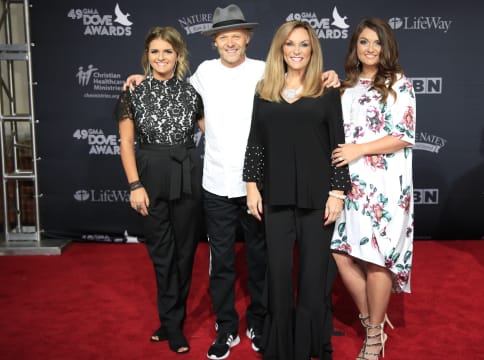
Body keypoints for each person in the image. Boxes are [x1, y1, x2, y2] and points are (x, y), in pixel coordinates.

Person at [123, 4, 341, 359]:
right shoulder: (204, 74)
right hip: (215, 184)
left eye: (236, 36)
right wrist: (140, 78)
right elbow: (170, 89)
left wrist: (329, 75)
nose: (230, 42)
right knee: (221, 261)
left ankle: (257, 322)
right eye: (223, 37)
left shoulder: (265, 72)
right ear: (214, 41)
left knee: (261, 261)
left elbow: (304, 82)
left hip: (259, 186)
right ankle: (226, 328)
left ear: (247, 38)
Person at [243, 20, 350, 360]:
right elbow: (255, 144)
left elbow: (338, 144)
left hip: (318, 198)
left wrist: (337, 193)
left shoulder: (327, 90)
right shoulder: (264, 90)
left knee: (313, 275)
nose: (297, 51)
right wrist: (251, 188)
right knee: (278, 273)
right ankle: (280, 347)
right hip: (274, 196)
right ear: (280, 49)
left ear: (313, 50)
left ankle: (309, 345)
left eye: (304, 44)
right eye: (290, 44)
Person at [329, 18, 416, 360]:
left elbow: (402, 136)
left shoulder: (399, 84)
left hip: (385, 185)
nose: (369, 49)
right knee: (341, 251)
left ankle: (375, 337)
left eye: (376, 43)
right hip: (348, 183)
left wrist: (359, 149)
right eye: (363, 42)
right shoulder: (345, 85)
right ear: (355, 46)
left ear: (386, 47)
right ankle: (372, 320)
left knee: (378, 259)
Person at [115, 26, 204, 355]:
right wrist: (134, 184)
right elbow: (125, 143)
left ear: (178, 55)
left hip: (186, 174)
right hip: (149, 175)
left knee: (184, 253)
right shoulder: (133, 93)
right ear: (147, 57)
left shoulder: (193, 93)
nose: (161, 57)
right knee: (162, 255)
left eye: (168, 51)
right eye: (155, 52)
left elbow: (215, 131)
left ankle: (172, 321)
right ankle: (172, 322)